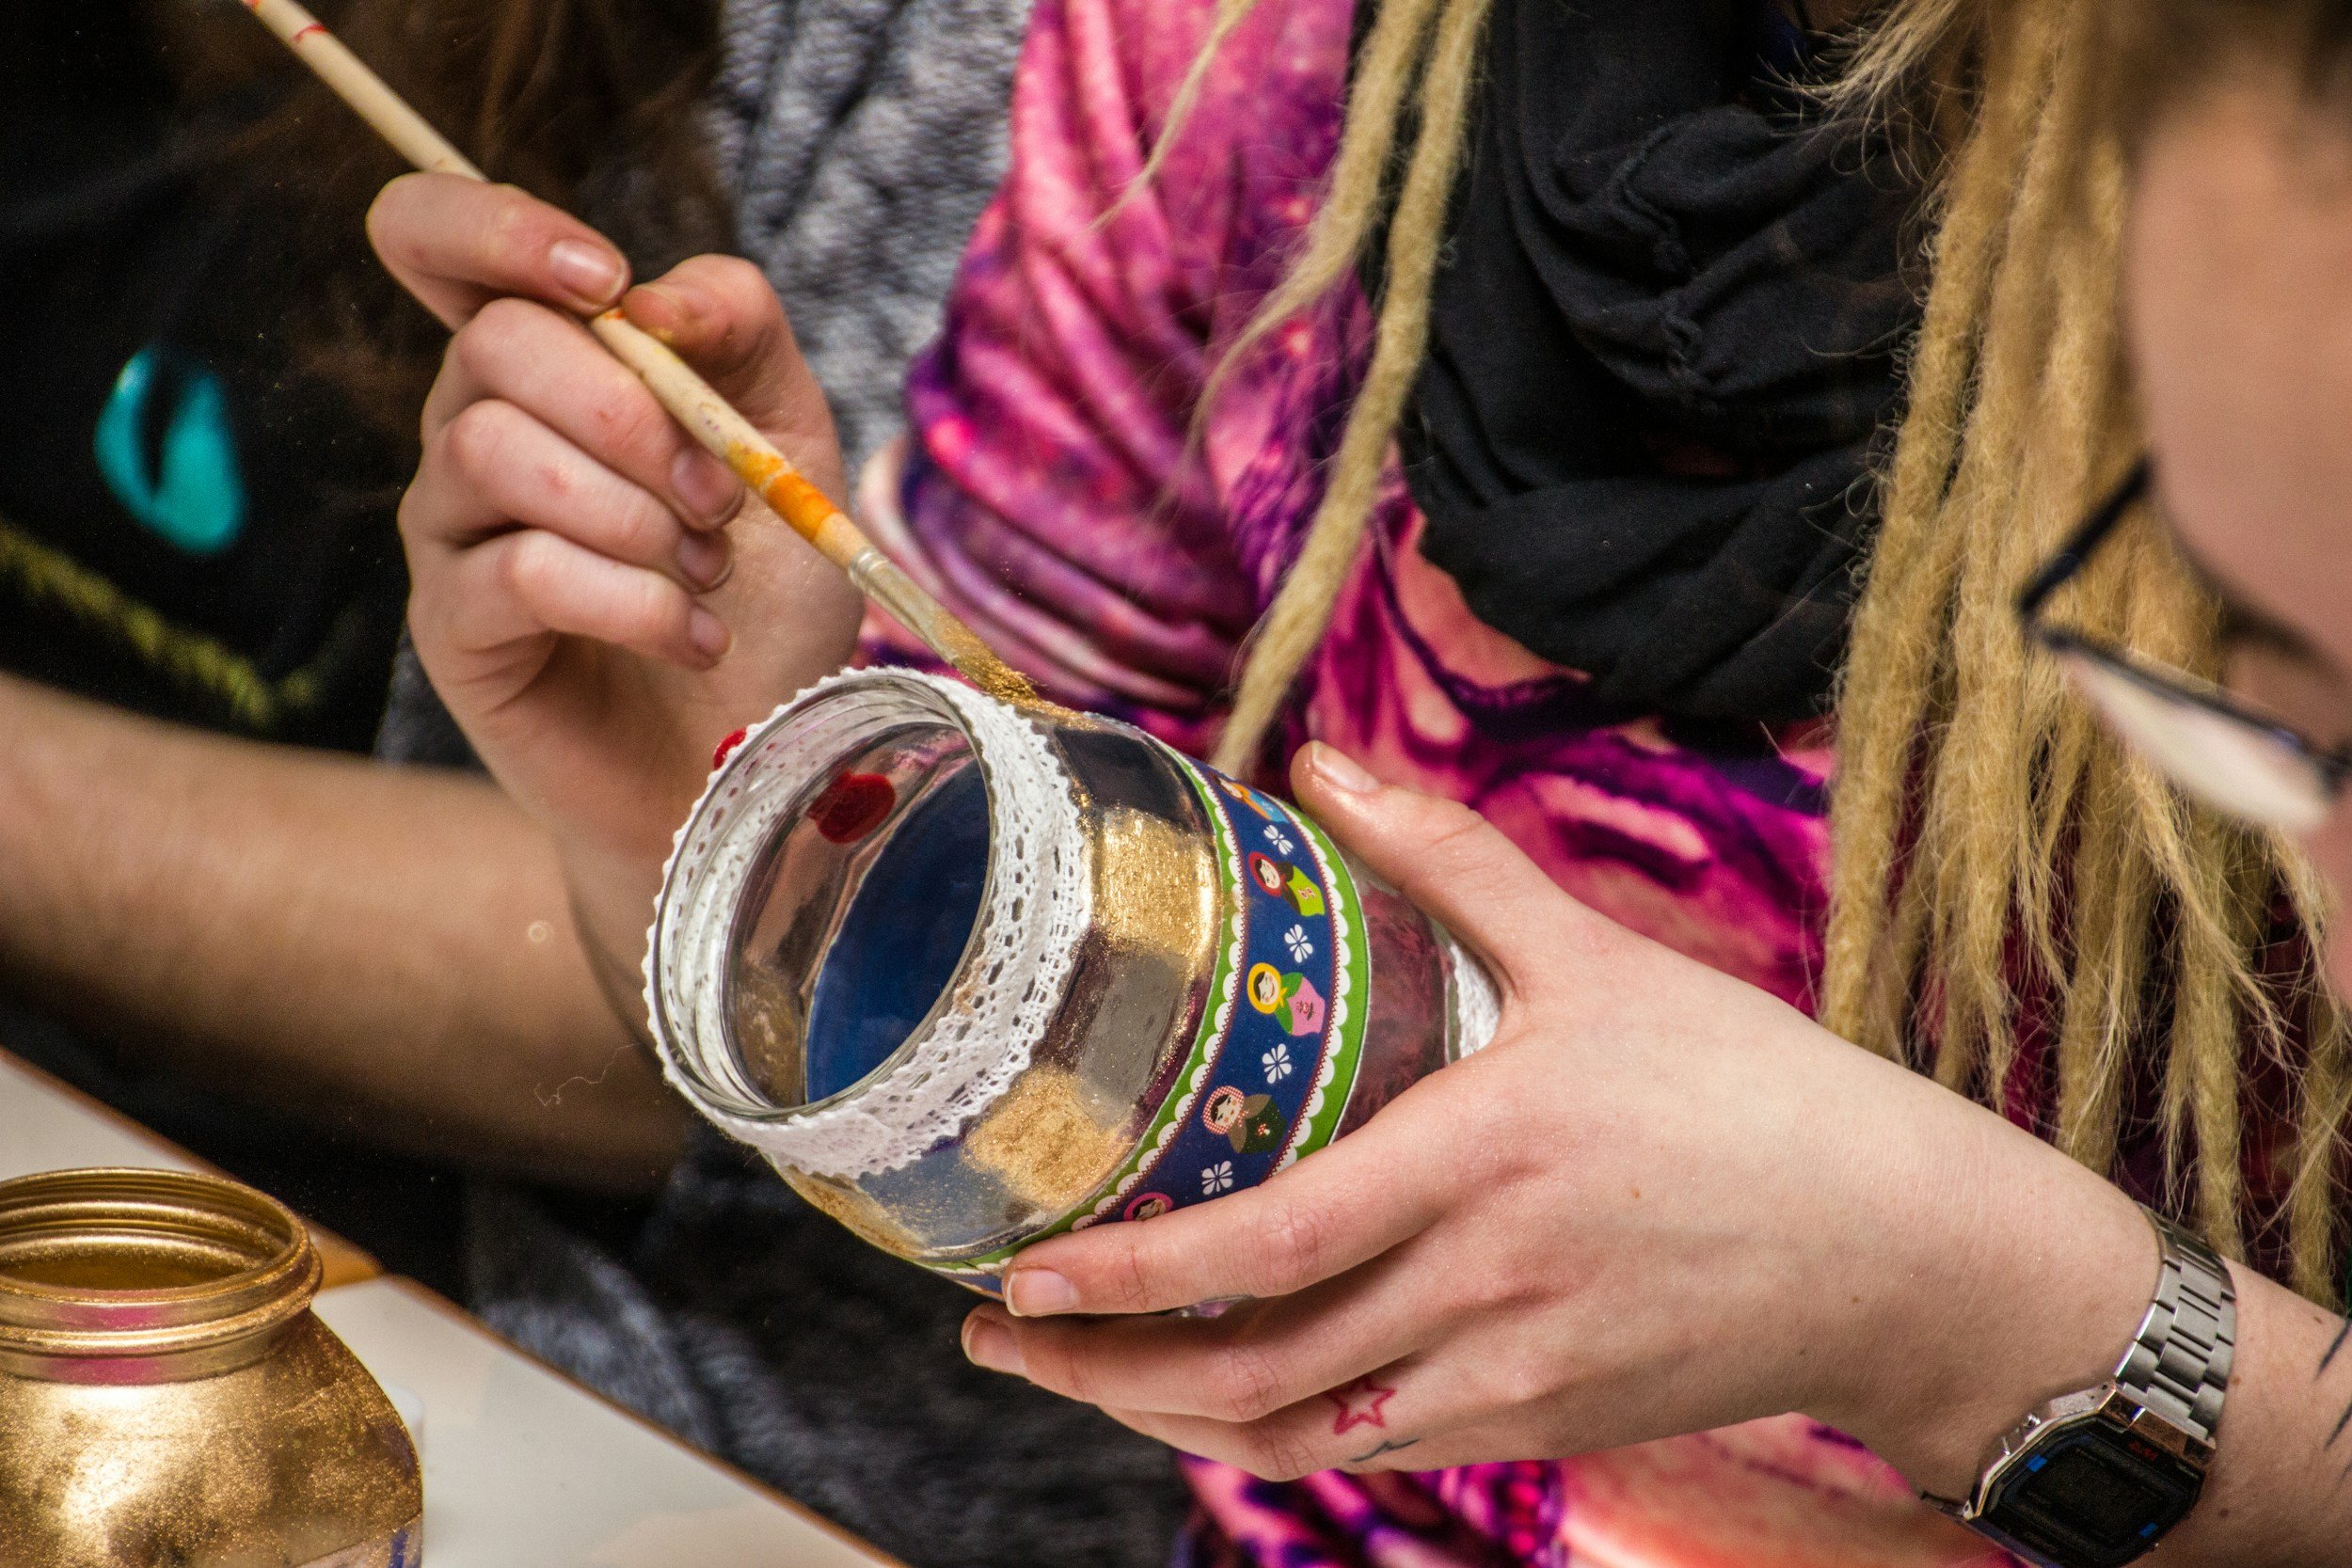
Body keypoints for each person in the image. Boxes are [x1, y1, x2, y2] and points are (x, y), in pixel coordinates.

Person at [365, 3, 2351, 1568]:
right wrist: (730, 780)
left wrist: (1976, 1311)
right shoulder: (1256, 60)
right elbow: (1066, 1051)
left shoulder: (2277, 208)